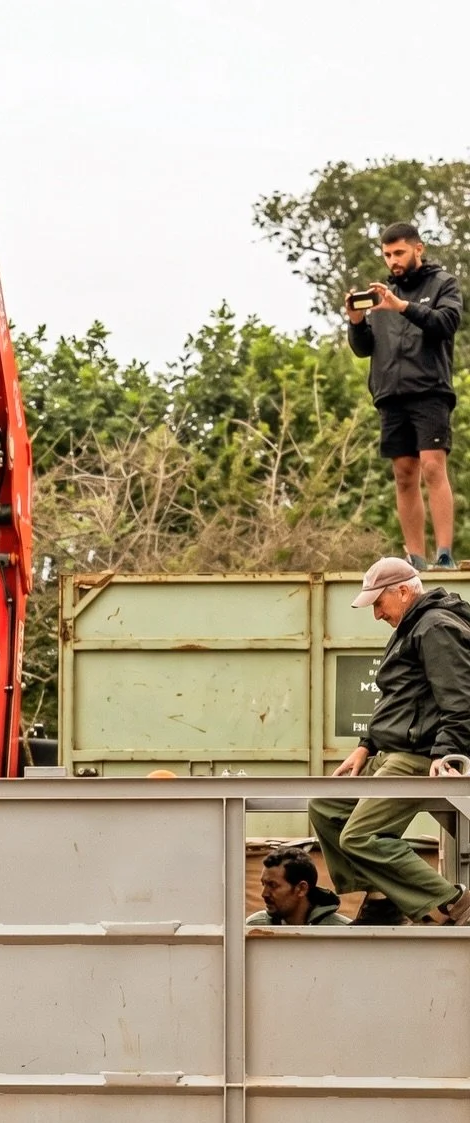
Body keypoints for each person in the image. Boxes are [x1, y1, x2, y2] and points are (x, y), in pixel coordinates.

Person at [308, 558, 470, 926]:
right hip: (390, 750)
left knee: (361, 836)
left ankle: (452, 902)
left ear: (403, 591)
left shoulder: (435, 627)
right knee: (325, 806)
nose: (377, 614)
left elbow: (460, 697)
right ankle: (382, 896)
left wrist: (446, 753)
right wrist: (365, 745)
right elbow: (397, 699)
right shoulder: (413, 625)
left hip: (419, 755)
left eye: (379, 603)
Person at [346, 223, 463, 570]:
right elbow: (364, 348)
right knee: (404, 473)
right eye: (387, 254)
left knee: (432, 466)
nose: (393, 261)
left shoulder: (443, 284)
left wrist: (403, 307)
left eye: (399, 253)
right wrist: (355, 322)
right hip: (390, 394)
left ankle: (444, 553)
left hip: (430, 389)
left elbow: (447, 323)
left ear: (418, 249)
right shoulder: (382, 292)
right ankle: (416, 558)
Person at [246, 848, 349, 927]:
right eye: (263, 884)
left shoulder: (341, 932)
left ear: (301, 889)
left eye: (273, 885)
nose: (264, 894)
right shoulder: (254, 928)